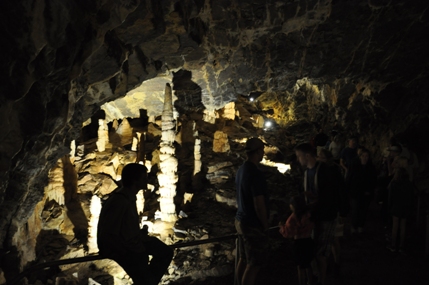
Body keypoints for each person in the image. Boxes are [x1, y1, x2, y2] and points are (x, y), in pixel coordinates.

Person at [97, 163, 173, 285]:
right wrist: (133, 250)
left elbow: (125, 227)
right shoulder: (119, 201)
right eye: (144, 178)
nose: (147, 180)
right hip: (121, 247)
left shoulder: (129, 197)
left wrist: (139, 235)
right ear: (134, 180)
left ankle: (148, 281)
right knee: (142, 264)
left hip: (131, 241)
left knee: (165, 252)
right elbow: (108, 233)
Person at [295, 143, 339, 285]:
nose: (298, 159)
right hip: (313, 216)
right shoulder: (308, 172)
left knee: (321, 253)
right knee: (314, 250)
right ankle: (316, 276)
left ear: (307, 156)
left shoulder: (324, 171)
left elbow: (329, 196)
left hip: (326, 216)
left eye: (299, 156)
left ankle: (322, 280)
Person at [235, 137, 270, 285]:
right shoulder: (256, 174)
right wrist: (265, 224)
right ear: (257, 152)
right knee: (254, 264)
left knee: (243, 258)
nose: (263, 153)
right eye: (262, 150)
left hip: (240, 219)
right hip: (252, 223)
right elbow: (259, 204)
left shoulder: (241, 170)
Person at [279, 195, 315, 285]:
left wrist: (281, 227)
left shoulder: (292, 219)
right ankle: (310, 282)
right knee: (308, 264)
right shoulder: (308, 215)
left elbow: (288, 233)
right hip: (308, 241)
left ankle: (301, 283)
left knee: (300, 267)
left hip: (299, 244)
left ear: (293, 206)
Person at [346, 149, 377, 234]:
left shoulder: (371, 167)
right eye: (363, 156)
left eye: (366, 156)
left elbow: (373, 181)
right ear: (360, 157)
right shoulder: (354, 166)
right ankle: (354, 225)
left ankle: (360, 225)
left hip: (366, 193)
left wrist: (369, 190)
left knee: (363, 210)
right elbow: (350, 178)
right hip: (355, 193)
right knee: (355, 210)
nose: (365, 158)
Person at [387, 167, 415, 253]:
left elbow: (390, 197)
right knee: (403, 227)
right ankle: (401, 246)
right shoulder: (409, 184)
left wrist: (389, 206)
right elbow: (411, 196)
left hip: (396, 206)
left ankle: (393, 245)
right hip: (405, 207)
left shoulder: (394, 184)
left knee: (395, 226)